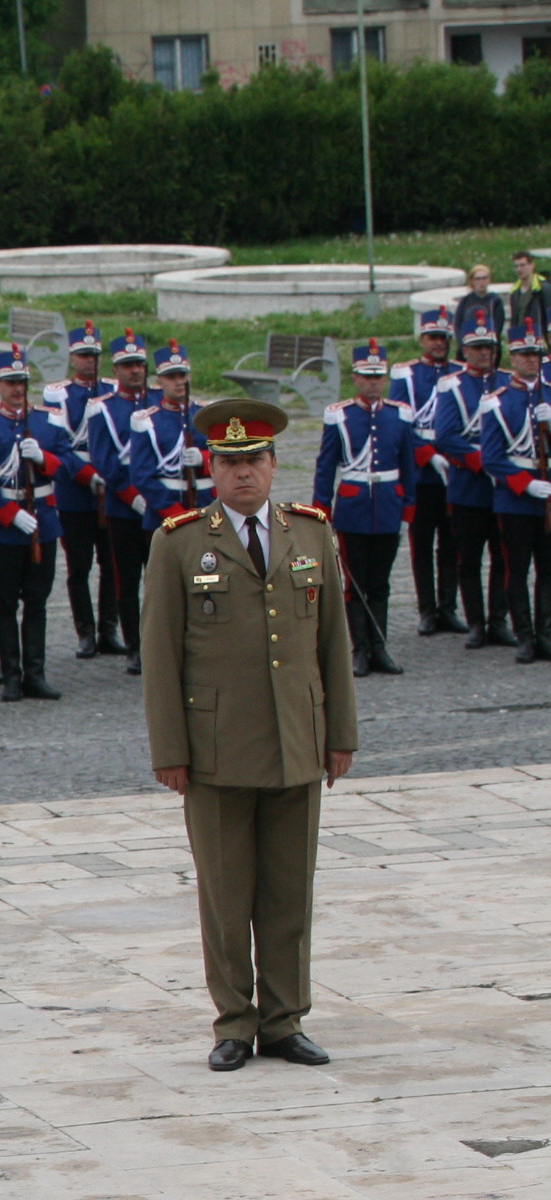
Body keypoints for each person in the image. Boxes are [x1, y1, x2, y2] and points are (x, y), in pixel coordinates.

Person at [140, 401, 355, 1072]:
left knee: (290, 891)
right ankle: (234, 1021)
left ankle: (285, 1020)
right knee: (227, 894)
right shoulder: (179, 542)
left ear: (273, 465)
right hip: (218, 747)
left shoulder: (311, 535)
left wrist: (339, 734)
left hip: (297, 739)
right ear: (212, 467)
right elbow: (161, 655)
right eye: (229, 463)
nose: (242, 475)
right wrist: (171, 751)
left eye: (254, 461)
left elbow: (332, 645)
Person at [0, 349, 70, 702]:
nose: (17, 389)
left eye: (22, 382)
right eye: (10, 382)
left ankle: (35, 674)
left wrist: (44, 458)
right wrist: (9, 513)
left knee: (37, 602)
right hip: (4, 526)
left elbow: (69, 467)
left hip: (43, 521)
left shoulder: (49, 420)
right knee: (4, 601)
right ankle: (11, 675)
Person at [316, 341, 418, 677]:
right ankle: (360, 649)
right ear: (355, 378)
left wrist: (409, 505)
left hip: (387, 505)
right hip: (354, 508)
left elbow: (408, 463)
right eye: (367, 376)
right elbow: (326, 465)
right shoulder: (339, 415)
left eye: (378, 376)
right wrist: (322, 508)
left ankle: (380, 647)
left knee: (381, 582)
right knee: (355, 583)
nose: (374, 382)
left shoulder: (399, 413)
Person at [466, 323, 547, 660]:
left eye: (537, 354)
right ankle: (525, 635)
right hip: (515, 497)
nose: (532, 360)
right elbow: (492, 458)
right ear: (512, 357)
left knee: (549, 568)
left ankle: (546, 631)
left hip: (549, 495)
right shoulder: (495, 402)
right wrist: (526, 483)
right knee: (517, 568)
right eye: (525, 354)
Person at [80, 333, 156, 675]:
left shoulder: (159, 401)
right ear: (116, 369)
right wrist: (131, 496)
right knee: (126, 580)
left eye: (139, 364)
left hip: (158, 502)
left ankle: (161, 643)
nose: (135, 371)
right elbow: (103, 459)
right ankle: (136, 646)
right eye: (128, 366)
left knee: (161, 580)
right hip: (123, 507)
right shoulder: (103, 407)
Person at [432, 317, 511, 648]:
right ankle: (476, 622)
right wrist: (483, 461)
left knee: (504, 558)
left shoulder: (508, 382)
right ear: (464, 350)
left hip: (505, 487)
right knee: (469, 559)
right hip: (469, 484)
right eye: (477, 348)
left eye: (489, 348)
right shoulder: (452, 384)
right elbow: (446, 436)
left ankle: (498, 620)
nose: (484, 354)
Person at [44, 321, 114, 660]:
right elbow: (59, 446)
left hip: (111, 485)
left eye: (94, 355)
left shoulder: (111, 392)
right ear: (72, 358)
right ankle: (85, 631)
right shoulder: (58, 393)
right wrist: (86, 475)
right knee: (79, 566)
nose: (90, 361)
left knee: (112, 562)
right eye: (83, 355)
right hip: (74, 488)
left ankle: (109, 628)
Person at [397, 313, 462, 635]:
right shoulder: (408, 375)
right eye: (433, 337)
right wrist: (428, 456)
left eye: (444, 338)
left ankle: (448, 608)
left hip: (454, 473)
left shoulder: (460, 375)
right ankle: (427, 610)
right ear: (422, 339)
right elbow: (400, 426)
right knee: (422, 546)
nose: (439, 343)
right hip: (421, 475)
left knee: (451, 544)